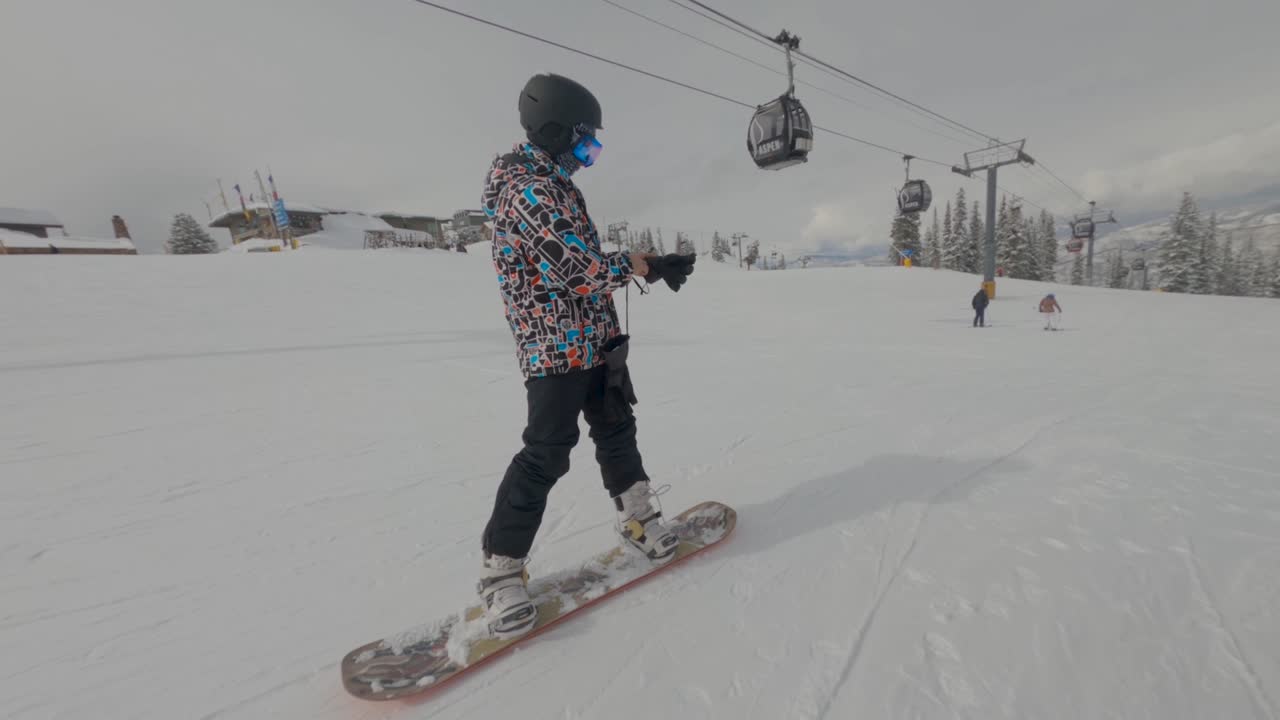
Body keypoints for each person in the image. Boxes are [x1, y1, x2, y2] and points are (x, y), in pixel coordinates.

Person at [476, 73, 696, 639]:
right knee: (546, 453)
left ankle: (639, 519)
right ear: (553, 132)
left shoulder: (554, 184)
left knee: (617, 429)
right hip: (553, 348)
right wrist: (639, 266)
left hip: (595, 339)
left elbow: (582, 262)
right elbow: (577, 271)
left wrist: (643, 261)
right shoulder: (527, 190)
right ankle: (502, 573)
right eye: (585, 144)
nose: (589, 157)